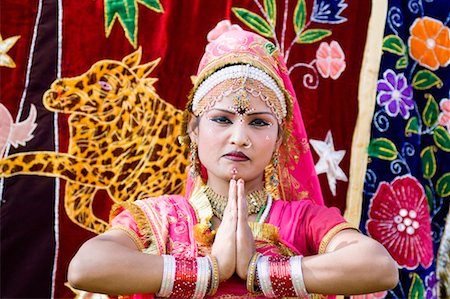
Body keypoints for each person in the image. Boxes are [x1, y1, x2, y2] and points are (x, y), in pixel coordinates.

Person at [68, 20, 398, 298]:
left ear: (279, 139)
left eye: (258, 122)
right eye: (222, 119)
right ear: (194, 130)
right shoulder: (160, 218)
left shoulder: (303, 219)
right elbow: (87, 267)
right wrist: (210, 271)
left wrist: (261, 270)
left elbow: (379, 267)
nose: (240, 136)